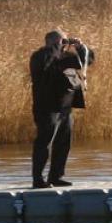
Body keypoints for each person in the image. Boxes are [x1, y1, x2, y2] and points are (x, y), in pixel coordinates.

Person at [29, 29, 95, 189]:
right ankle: (38, 179)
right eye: (62, 41)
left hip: (65, 107)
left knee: (63, 143)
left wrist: (80, 47)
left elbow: (88, 60)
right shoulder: (40, 56)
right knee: (44, 142)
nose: (65, 44)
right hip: (46, 107)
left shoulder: (68, 57)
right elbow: (45, 65)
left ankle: (56, 176)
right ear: (51, 42)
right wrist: (55, 47)